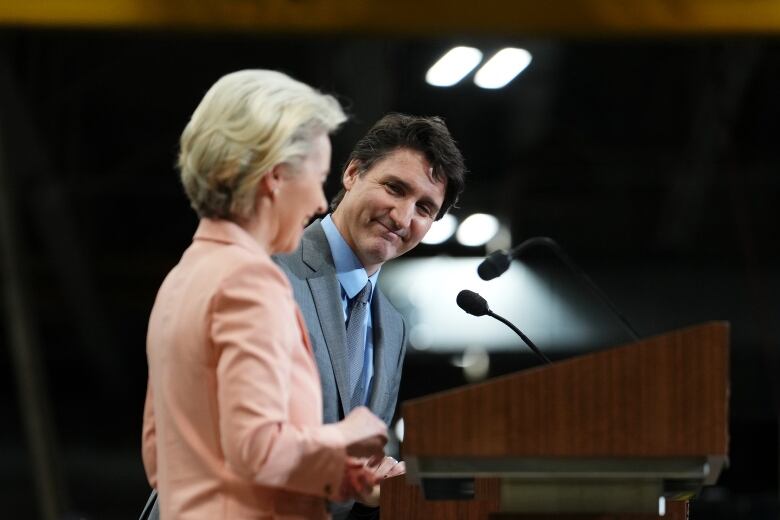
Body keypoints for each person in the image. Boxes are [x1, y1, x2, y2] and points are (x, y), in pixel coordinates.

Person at [141, 69, 389, 520]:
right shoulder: (251, 281)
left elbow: (159, 455)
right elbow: (257, 448)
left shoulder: (183, 276)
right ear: (275, 177)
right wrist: (350, 433)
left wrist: (334, 472)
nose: (319, 201)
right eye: (317, 176)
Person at [275, 113, 467, 519]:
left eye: (424, 208)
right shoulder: (269, 268)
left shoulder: (393, 326)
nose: (402, 217)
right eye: (395, 188)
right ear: (352, 173)